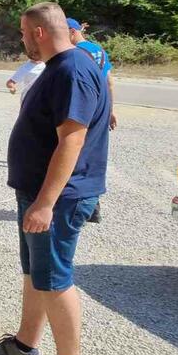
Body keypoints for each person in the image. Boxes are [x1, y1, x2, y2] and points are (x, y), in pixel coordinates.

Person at [0, 2, 109, 355]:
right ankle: (24, 346)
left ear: (38, 32)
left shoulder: (72, 70)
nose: (22, 40)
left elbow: (72, 140)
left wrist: (46, 203)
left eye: (23, 33)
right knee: (36, 273)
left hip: (58, 198)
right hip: (38, 193)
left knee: (54, 278)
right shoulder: (60, 67)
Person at [68, 17, 115, 224]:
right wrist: (110, 110)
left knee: (74, 154)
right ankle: (93, 206)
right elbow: (109, 82)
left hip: (82, 106)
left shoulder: (75, 52)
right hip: (100, 108)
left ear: (72, 32)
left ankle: (76, 206)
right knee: (94, 156)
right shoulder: (99, 51)